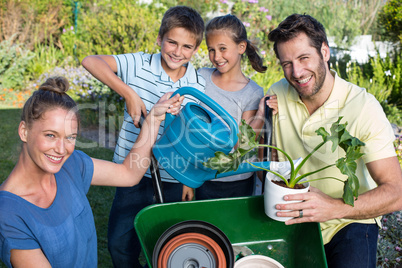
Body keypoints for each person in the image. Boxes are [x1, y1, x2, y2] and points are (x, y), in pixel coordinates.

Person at [0, 77, 183, 268]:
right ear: (24, 131)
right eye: (50, 135)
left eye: (70, 137)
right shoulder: (9, 214)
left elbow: (129, 173)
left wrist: (153, 119)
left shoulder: (71, 164)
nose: (62, 150)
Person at [265, 13, 402, 267]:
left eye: (304, 58)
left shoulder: (363, 107)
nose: (296, 72)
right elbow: (271, 158)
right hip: (293, 216)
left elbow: (396, 192)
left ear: (324, 52)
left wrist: (335, 207)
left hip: (349, 220)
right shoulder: (276, 95)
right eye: (286, 63)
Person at [81, 6, 205, 267]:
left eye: (186, 47)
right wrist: (128, 93)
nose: (177, 52)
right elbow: (90, 61)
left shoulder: (198, 84)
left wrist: (188, 182)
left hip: (173, 177)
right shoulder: (138, 64)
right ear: (160, 38)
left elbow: (193, 137)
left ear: (195, 50)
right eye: (172, 42)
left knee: (164, 248)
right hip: (131, 173)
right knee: (119, 246)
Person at [194, 14, 273, 200]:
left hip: (237, 179)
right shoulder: (201, 77)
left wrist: (261, 113)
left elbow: (241, 143)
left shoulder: (252, 92)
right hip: (202, 174)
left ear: (241, 47)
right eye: (211, 50)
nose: (216, 56)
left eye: (222, 49)